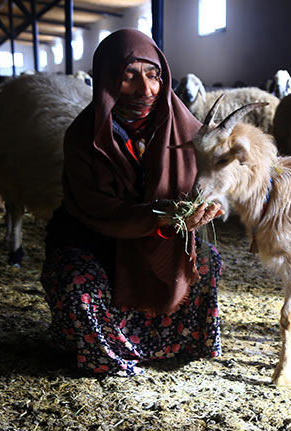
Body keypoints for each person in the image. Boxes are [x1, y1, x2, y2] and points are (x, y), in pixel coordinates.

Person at [40, 28, 225, 376]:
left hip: (158, 241)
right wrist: (158, 215)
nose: (147, 90)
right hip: (95, 242)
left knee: (207, 259)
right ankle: (104, 351)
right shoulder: (84, 138)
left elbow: (210, 179)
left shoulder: (184, 129)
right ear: (108, 79)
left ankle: (173, 343)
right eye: (129, 77)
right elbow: (98, 208)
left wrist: (205, 207)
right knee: (74, 280)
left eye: (154, 75)